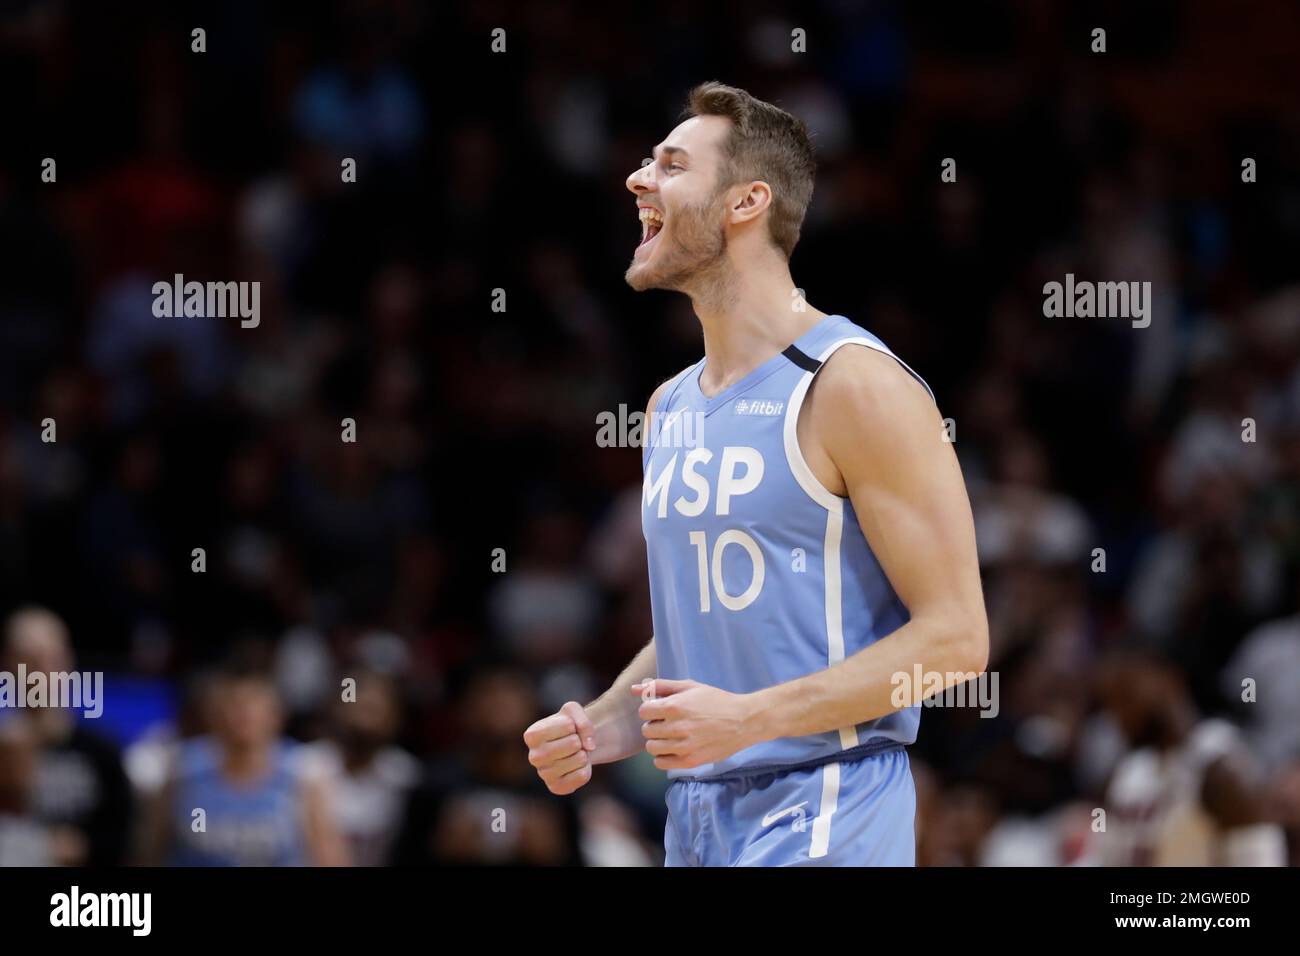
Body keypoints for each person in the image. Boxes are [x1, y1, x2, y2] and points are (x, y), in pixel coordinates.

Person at [523, 83, 987, 865]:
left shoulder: (852, 383)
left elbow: (957, 641)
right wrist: (607, 721)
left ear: (746, 202)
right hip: (698, 815)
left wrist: (753, 719)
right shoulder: (669, 405)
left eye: (670, 165)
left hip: (828, 801)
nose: (639, 180)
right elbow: (704, 631)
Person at [143, 663, 349, 866]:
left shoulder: (303, 774)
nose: (244, 714)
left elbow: (329, 856)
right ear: (213, 715)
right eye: (234, 705)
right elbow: (149, 851)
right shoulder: (181, 770)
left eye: (253, 704)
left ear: (276, 715)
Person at [2, 607, 133, 866]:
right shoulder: (4, 750)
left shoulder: (101, 751)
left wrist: (83, 846)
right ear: (8, 664)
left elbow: (124, 840)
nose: (41, 672)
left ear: (68, 662)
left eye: (51, 659)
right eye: (29, 660)